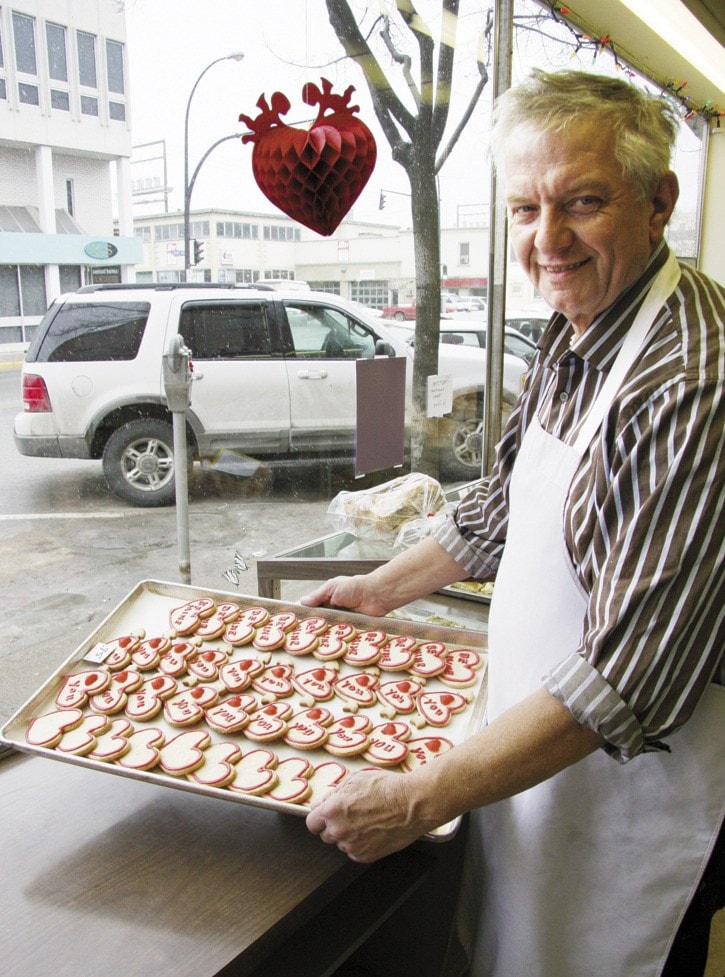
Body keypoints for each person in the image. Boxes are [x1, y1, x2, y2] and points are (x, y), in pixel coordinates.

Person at [301, 69, 724, 977]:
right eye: (524, 210)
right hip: (544, 751)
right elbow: (497, 511)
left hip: (635, 786)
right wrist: (378, 589)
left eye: (582, 201)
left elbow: (629, 678)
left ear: (659, 203)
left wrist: (418, 798)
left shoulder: (689, 380)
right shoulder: (581, 330)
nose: (548, 239)